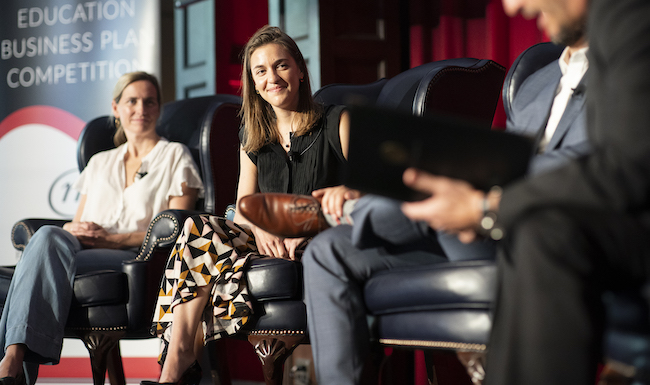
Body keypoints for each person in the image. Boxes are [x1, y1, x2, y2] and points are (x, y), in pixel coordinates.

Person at [399, 0, 650, 384]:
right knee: (537, 225)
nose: (512, 3)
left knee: (545, 228)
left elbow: (626, 167)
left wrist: (485, 207)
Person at [298, 34, 590, 383]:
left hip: (525, 227)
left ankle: (338, 214)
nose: (515, 2)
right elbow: (503, 156)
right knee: (326, 251)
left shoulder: (621, 74)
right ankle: (351, 212)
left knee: (427, 190)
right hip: (469, 229)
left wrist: (484, 194)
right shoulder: (537, 82)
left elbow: (592, 168)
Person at [149, 25, 355, 385]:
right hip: (266, 239)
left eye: (281, 66)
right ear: (253, 82)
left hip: (323, 236)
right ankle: (177, 360)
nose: (272, 78)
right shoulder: (252, 133)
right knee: (197, 228)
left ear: (300, 70)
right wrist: (261, 226)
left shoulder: (338, 121)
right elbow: (243, 204)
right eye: (260, 71)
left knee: (209, 263)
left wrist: (309, 223)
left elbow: (363, 194)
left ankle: (181, 357)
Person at [0, 71, 204, 385]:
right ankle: (13, 360)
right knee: (47, 236)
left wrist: (112, 238)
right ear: (115, 107)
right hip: (82, 249)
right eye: (132, 101)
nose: (141, 109)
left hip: (133, 254)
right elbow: (76, 220)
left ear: (159, 109)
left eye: (149, 102)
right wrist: (74, 228)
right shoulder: (100, 162)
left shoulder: (175, 156)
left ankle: (12, 362)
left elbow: (180, 231)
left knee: (36, 259)